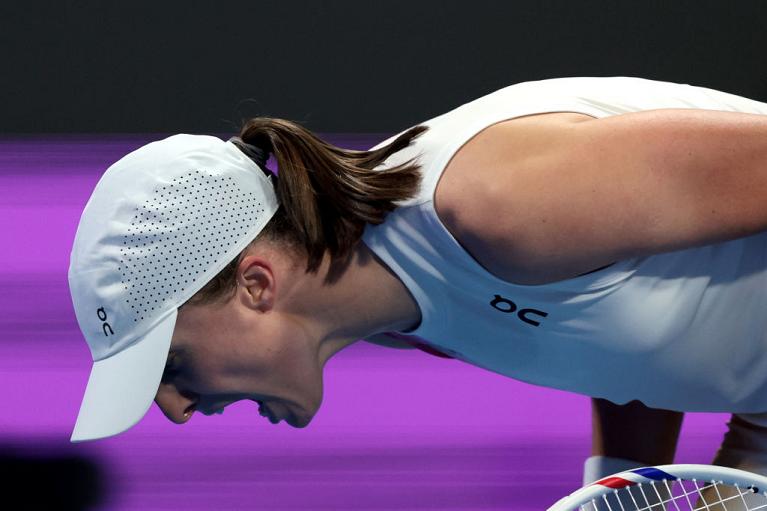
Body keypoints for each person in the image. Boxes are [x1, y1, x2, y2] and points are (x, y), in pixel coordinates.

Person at [68, 76, 767, 486]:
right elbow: (633, 320)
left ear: (255, 285)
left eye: (171, 364)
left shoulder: (498, 201)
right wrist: (624, 483)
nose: (176, 409)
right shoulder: (396, 312)